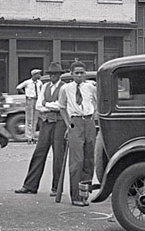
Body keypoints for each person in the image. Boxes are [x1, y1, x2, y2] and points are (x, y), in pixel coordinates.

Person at [15, 62, 67, 196]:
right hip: (46, 122)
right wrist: (49, 106)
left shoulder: (64, 88)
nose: (53, 76)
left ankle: (56, 188)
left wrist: (47, 104)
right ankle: (30, 185)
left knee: (58, 156)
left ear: (60, 75)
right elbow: (38, 105)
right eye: (51, 74)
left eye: (55, 74)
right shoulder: (44, 86)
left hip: (60, 123)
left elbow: (61, 106)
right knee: (39, 152)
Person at [58, 60, 97, 206]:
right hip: (75, 122)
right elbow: (62, 107)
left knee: (89, 160)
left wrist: (93, 118)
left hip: (89, 122)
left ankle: (84, 194)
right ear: (71, 74)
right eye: (76, 73)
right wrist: (68, 125)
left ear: (85, 73)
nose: (79, 75)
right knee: (77, 161)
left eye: (82, 73)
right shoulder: (65, 88)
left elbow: (98, 104)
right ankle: (75, 196)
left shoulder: (91, 88)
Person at [16, 69, 43, 143]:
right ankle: (29, 137)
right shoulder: (27, 82)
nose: (39, 75)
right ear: (34, 75)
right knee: (29, 119)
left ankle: (33, 136)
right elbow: (18, 87)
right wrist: (26, 94)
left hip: (37, 100)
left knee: (35, 119)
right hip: (30, 100)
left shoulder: (39, 83)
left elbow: (41, 90)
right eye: (38, 74)